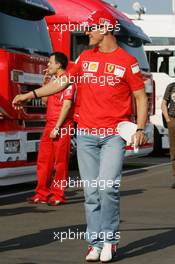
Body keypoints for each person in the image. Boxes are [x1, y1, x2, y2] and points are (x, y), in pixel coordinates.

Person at [12, 11, 147, 262]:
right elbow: (61, 83)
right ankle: (94, 243)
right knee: (92, 192)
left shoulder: (127, 62)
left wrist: (139, 129)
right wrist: (30, 95)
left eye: (91, 29)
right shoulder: (84, 58)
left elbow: (140, 96)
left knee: (108, 189)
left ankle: (109, 241)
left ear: (105, 29)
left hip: (113, 136)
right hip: (85, 135)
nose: (86, 33)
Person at [28, 52, 75, 205]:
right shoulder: (53, 80)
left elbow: (67, 105)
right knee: (44, 160)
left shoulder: (68, 80)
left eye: (50, 63)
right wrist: (45, 82)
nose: (48, 65)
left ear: (59, 64)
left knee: (60, 163)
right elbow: (44, 101)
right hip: (50, 124)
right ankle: (41, 193)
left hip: (62, 125)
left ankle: (58, 195)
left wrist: (57, 127)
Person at [161, 82, 175, 188]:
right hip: (173, 120)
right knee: (173, 150)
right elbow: (164, 103)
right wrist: (168, 119)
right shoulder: (171, 86)